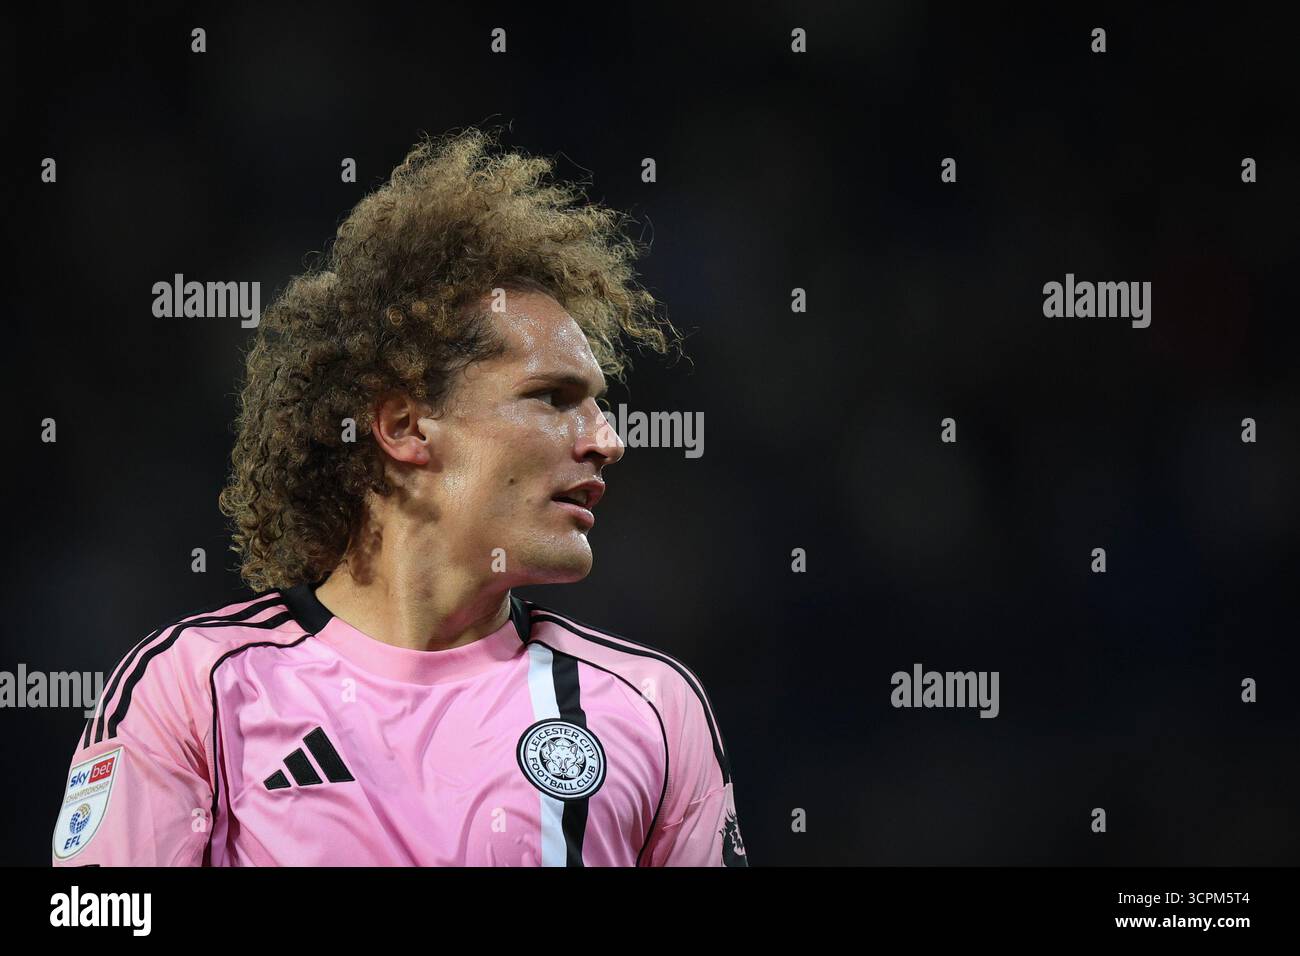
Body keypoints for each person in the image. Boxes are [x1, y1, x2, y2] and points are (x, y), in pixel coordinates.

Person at [50, 128, 748, 867]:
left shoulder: (651, 708)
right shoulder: (198, 688)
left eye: (599, 405)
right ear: (406, 427)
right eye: (552, 397)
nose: (608, 441)